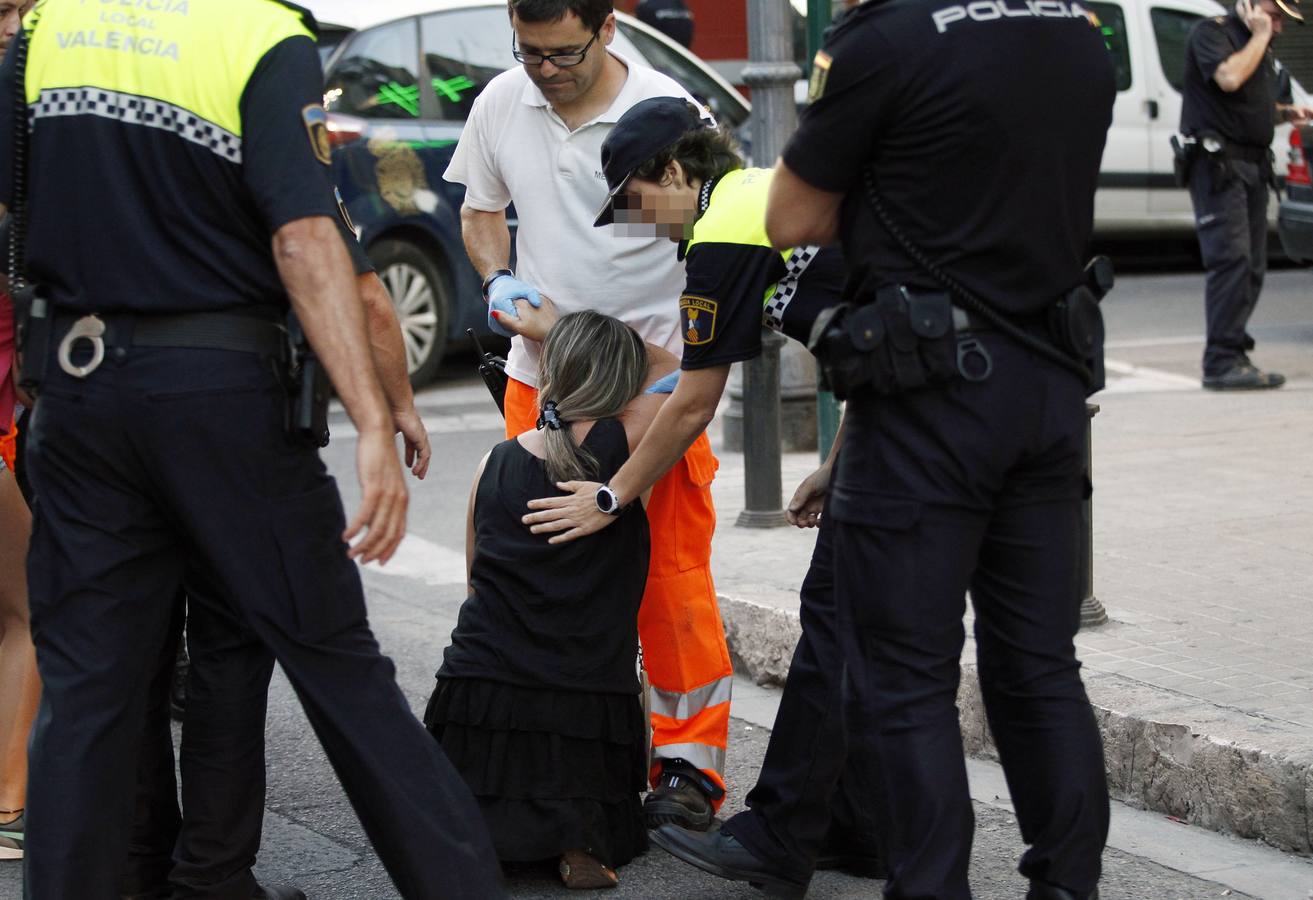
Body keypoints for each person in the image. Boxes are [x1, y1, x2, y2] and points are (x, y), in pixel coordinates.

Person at [0, 2, 503, 898]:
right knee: (336, 663)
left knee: (90, 695)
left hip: (77, 390)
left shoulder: (48, 30)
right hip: (219, 395)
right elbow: (306, 237)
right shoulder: (255, 33)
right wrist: (374, 426)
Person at [446, 0, 733, 830]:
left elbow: (708, 239)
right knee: (533, 569)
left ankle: (686, 768)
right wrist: (497, 276)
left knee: (667, 574)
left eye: (563, 51)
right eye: (529, 51)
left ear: (607, 28)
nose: (545, 68)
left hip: (655, 387)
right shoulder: (502, 102)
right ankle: (548, 757)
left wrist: (677, 373)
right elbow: (478, 214)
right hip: (544, 379)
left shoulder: (666, 113)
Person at [425, 310, 675, 889]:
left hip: (477, 690)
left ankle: (481, 843)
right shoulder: (625, 454)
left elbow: (474, 582)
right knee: (576, 769)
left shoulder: (495, 461)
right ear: (622, 378)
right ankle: (577, 844)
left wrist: (552, 332)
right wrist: (584, 329)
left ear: (551, 376)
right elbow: (687, 373)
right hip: (583, 689)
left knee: (469, 811)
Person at [1181, 0, 1312, 389]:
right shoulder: (1213, 33)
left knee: (1253, 265)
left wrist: (1286, 113)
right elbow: (1229, 79)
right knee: (1232, 260)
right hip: (1218, 166)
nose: (1279, 28)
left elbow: (1249, 103)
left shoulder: (1260, 44)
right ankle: (1220, 360)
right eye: (1275, 16)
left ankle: (1234, 352)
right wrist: (1260, 35)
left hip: (1252, 167)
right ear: (1251, 7)